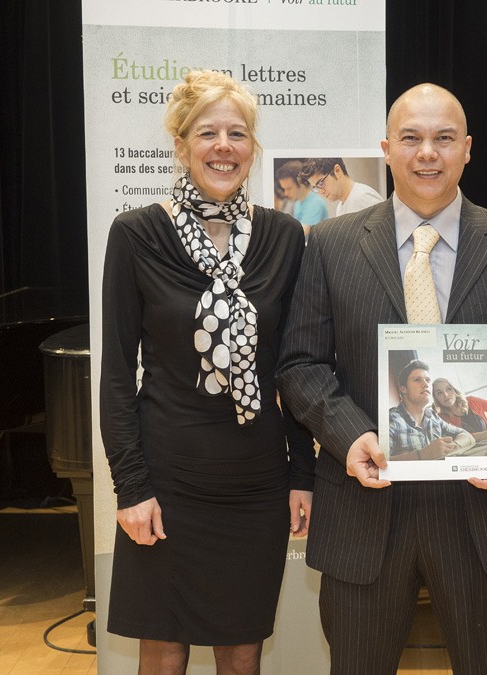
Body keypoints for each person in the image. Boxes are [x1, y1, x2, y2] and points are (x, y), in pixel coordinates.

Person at [276, 83, 487, 674]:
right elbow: (300, 366)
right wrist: (351, 434)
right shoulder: (332, 244)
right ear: (387, 149)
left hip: (477, 513)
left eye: (442, 139)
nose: (426, 153)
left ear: (468, 150)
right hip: (366, 506)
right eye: (411, 138)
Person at [99, 70, 314, 675]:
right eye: (207, 132)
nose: (224, 145)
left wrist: (304, 474)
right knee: (163, 651)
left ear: (253, 148)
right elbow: (117, 375)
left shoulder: (284, 237)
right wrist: (131, 487)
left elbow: (294, 369)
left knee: (242, 650)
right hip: (166, 479)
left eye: (238, 133)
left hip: (256, 481)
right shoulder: (137, 234)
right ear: (181, 144)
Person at [388, 360, 475, 459]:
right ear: (403, 388)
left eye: (428, 380)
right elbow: (380, 463)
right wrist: (423, 454)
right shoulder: (391, 419)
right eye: (417, 380)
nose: (425, 384)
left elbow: (464, 434)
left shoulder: (432, 416)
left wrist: (454, 447)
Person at [299, 157, 384, 216]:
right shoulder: (340, 207)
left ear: (337, 171)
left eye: (321, 183)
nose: (321, 192)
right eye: (316, 187)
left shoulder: (364, 198)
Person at [431, 376, 487, 442]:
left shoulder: (472, 401)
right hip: (471, 451)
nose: (446, 395)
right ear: (436, 398)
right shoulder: (441, 418)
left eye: (448, 389)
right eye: (439, 393)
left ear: (454, 390)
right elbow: (465, 437)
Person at [276, 159, 329, 239]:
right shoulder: (297, 203)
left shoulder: (316, 203)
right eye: (284, 189)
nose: (286, 193)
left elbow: (301, 232)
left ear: (300, 182)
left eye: (289, 188)